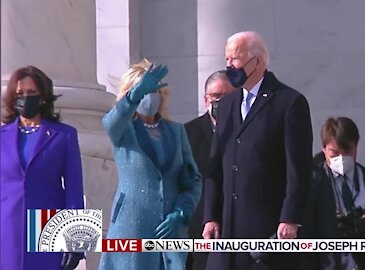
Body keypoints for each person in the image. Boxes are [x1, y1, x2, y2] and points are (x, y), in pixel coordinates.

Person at [202, 31, 313, 270]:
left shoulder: (288, 102)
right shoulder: (227, 104)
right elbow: (216, 163)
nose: (229, 65)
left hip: (266, 225)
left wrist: (290, 217)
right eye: (227, 59)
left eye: (235, 58)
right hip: (228, 228)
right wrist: (211, 215)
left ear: (257, 61)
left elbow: (299, 168)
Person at [99, 59, 202, 270]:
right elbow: (109, 123)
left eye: (154, 90)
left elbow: (193, 180)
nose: (150, 96)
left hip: (169, 232)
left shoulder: (176, 131)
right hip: (132, 226)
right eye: (144, 90)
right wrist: (134, 96)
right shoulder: (124, 130)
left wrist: (181, 212)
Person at [0, 66, 84, 270]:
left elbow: (75, 191)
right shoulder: (2, 136)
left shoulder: (64, 135)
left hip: (47, 229)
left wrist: (76, 244)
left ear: (43, 97)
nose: (25, 98)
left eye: (32, 93)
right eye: (20, 93)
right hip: (7, 230)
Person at [303, 117, 365, 270]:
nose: (341, 159)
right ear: (324, 150)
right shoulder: (312, 183)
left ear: (356, 147)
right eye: (334, 153)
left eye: (348, 151)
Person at [184, 70, 235, 270]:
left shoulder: (247, 133)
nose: (222, 102)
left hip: (236, 228)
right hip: (198, 231)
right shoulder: (187, 134)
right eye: (216, 97)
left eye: (228, 97)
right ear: (206, 100)